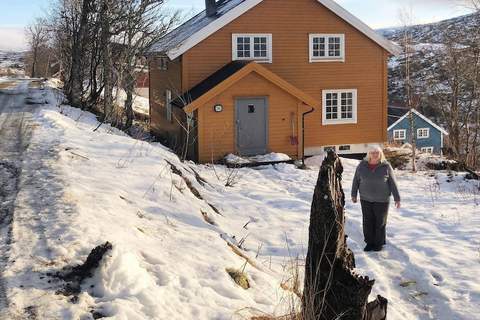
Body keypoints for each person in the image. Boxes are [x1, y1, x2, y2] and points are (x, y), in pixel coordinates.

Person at [351, 146, 400, 252]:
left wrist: (397, 198)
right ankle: (369, 243)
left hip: (382, 200)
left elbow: (392, 182)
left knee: (380, 222)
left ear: (380, 154)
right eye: (372, 152)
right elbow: (356, 181)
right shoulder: (361, 166)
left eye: (377, 152)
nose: (374, 154)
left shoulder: (386, 166)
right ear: (368, 154)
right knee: (367, 221)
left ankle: (378, 244)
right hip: (365, 199)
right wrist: (353, 194)